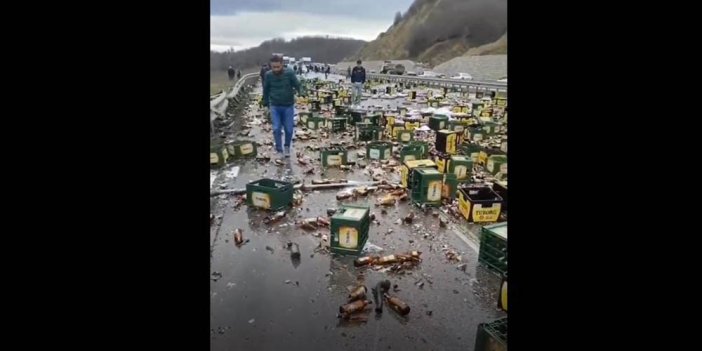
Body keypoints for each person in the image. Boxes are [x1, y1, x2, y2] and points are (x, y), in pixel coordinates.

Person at [262, 55, 304, 158]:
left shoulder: (289, 73)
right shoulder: (268, 75)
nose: (275, 69)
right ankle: (279, 149)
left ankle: (286, 146)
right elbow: (266, 90)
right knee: (276, 128)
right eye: (273, 67)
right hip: (275, 106)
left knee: (289, 129)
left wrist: (301, 92)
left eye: (278, 67)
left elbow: (297, 84)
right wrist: (265, 104)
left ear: (282, 65)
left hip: (288, 106)